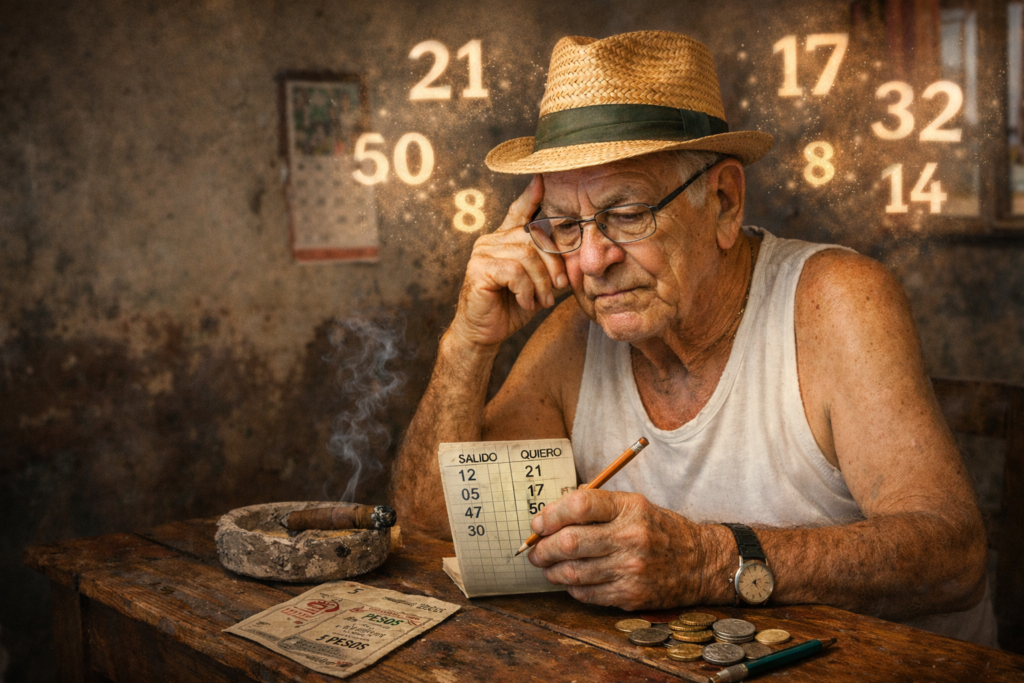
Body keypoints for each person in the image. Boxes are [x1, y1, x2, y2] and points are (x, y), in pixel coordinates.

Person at [391, 30, 995, 645]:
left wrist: (706, 560)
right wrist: (468, 344)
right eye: (567, 224)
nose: (593, 260)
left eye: (626, 214)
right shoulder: (578, 334)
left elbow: (953, 557)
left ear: (725, 201)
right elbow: (431, 528)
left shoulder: (836, 300)